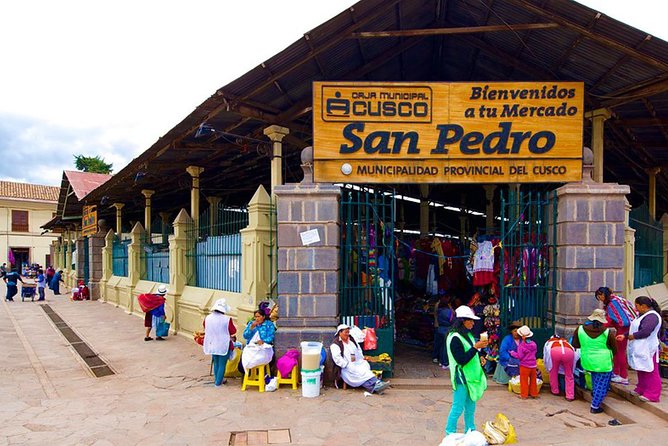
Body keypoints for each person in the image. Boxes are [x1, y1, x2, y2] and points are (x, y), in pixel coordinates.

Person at [445, 305, 488, 436]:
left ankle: (470, 431)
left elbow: (471, 350)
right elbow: (461, 359)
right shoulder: (454, 338)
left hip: (471, 377)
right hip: (461, 378)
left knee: (471, 407)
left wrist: (480, 356)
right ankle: (449, 433)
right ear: (463, 321)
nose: (473, 323)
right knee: (457, 407)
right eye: (471, 320)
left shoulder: (468, 335)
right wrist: (476, 347)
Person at [617, 296, 662, 402]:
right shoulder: (641, 315)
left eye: (637, 306)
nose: (635, 308)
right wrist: (625, 335)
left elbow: (645, 331)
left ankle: (653, 394)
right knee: (641, 369)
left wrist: (632, 336)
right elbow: (636, 328)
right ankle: (641, 388)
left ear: (644, 306)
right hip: (640, 347)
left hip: (648, 348)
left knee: (651, 370)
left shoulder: (652, 317)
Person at [571, 309, 617, 414]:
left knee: (595, 378)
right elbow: (614, 349)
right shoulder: (607, 333)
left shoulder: (580, 329)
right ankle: (595, 406)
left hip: (588, 361)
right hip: (603, 362)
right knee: (602, 383)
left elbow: (576, 344)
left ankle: (595, 393)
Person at [330, 324, 390, 394]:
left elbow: (358, 349)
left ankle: (374, 387)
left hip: (357, 362)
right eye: (345, 332)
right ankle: (377, 382)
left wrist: (361, 358)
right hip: (346, 367)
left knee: (364, 367)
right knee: (360, 372)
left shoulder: (351, 339)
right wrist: (346, 365)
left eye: (348, 332)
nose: (347, 334)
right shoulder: (335, 344)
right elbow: (337, 358)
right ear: (340, 333)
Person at [595, 286, 637, 384]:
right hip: (626, 328)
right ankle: (616, 373)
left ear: (603, 294)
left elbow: (612, 319)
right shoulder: (618, 300)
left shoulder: (612, 304)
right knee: (617, 351)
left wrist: (598, 326)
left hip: (623, 329)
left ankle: (623, 376)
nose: (600, 299)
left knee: (619, 352)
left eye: (599, 296)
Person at [203, 298, 237, 387]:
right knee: (222, 363)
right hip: (223, 343)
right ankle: (218, 382)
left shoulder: (208, 318)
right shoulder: (227, 319)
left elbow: (204, 326)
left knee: (216, 362)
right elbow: (233, 330)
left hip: (212, 343)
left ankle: (217, 379)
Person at [240, 308, 276, 374]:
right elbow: (245, 336)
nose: (257, 319)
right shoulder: (251, 324)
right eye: (255, 317)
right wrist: (251, 328)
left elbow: (271, 336)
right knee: (243, 361)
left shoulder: (269, 324)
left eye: (259, 316)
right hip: (252, 347)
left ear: (263, 317)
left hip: (264, 347)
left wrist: (263, 341)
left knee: (262, 359)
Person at [543, 334, 576, 401]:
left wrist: (548, 367)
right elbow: (575, 355)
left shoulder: (549, 343)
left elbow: (546, 356)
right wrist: (572, 369)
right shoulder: (566, 342)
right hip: (569, 352)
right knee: (569, 375)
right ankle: (570, 395)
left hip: (554, 352)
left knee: (553, 373)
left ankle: (555, 390)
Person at [510, 325, 539, 399]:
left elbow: (519, 356)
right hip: (533, 365)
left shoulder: (522, 346)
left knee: (524, 381)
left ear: (523, 337)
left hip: (525, 366)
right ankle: (534, 394)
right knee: (533, 381)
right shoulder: (534, 344)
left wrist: (512, 353)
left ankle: (524, 395)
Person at [493, 320, 522, 385]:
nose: (516, 333)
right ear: (511, 331)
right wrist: (511, 359)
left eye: (518, 331)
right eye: (515, 331)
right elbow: (502, 352)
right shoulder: (507, 339)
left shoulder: (522, 340)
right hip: (507, 361)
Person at [433, 294, 455, 369]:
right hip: (446, 329)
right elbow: (452, 319)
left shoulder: (439, 310)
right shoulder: (448, 312)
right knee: (445, 346)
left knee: (440, 344)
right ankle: (444, 362)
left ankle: (438, 359)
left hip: (440, 328)